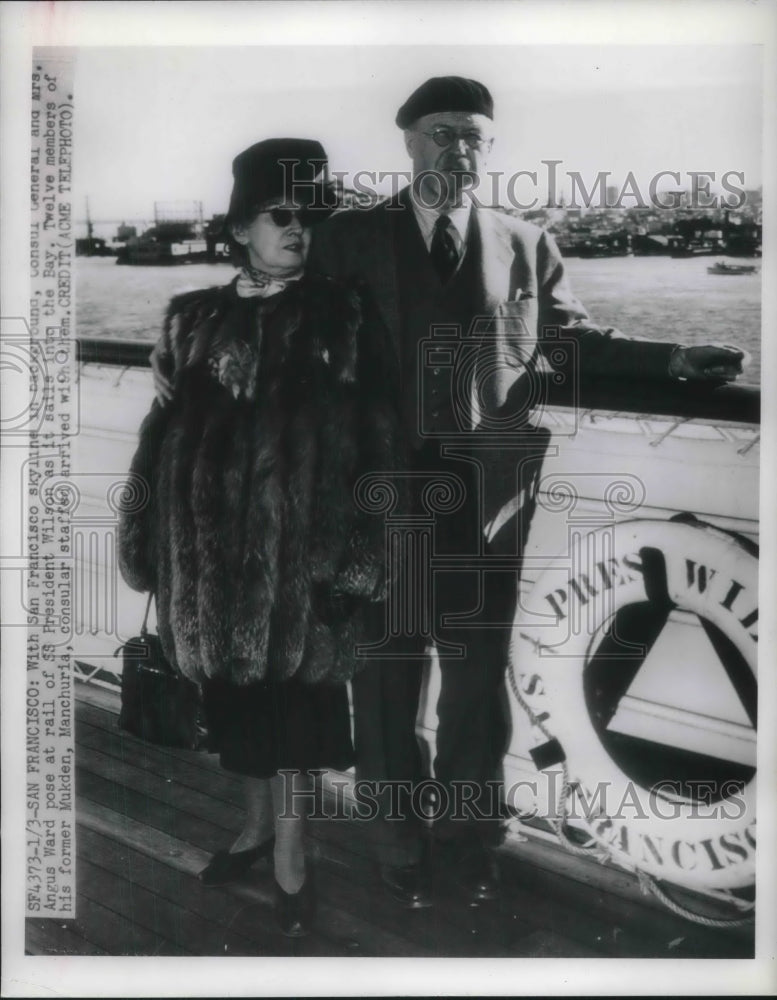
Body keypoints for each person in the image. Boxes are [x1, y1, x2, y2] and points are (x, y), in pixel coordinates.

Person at [151, 79, 746, 912]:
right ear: (407, 142)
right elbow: (270, 306)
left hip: (486, 497)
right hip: (374, 501)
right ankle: (397, 838)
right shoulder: (349, 238)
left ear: (489, 148)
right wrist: (194, 360)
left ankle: (469, 839)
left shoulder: (526, 242)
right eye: (438, 133)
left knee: (474, 682)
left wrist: (672, 361)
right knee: (387, 682)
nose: (455, 150)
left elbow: (570, 341)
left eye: (471, 135)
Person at [119, 138, 400, 937]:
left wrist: (358, 562)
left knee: (298, 727)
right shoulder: (193, 318)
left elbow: (381, 446)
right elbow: (156, 440)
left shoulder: (342, 315)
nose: (300, 228)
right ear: (240, 227)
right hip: (206, 568)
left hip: (302, 573)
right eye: (282, 215)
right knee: (236, 719)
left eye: (311, 213)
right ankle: (251, 827)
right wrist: (143, 544)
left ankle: (293, 854)